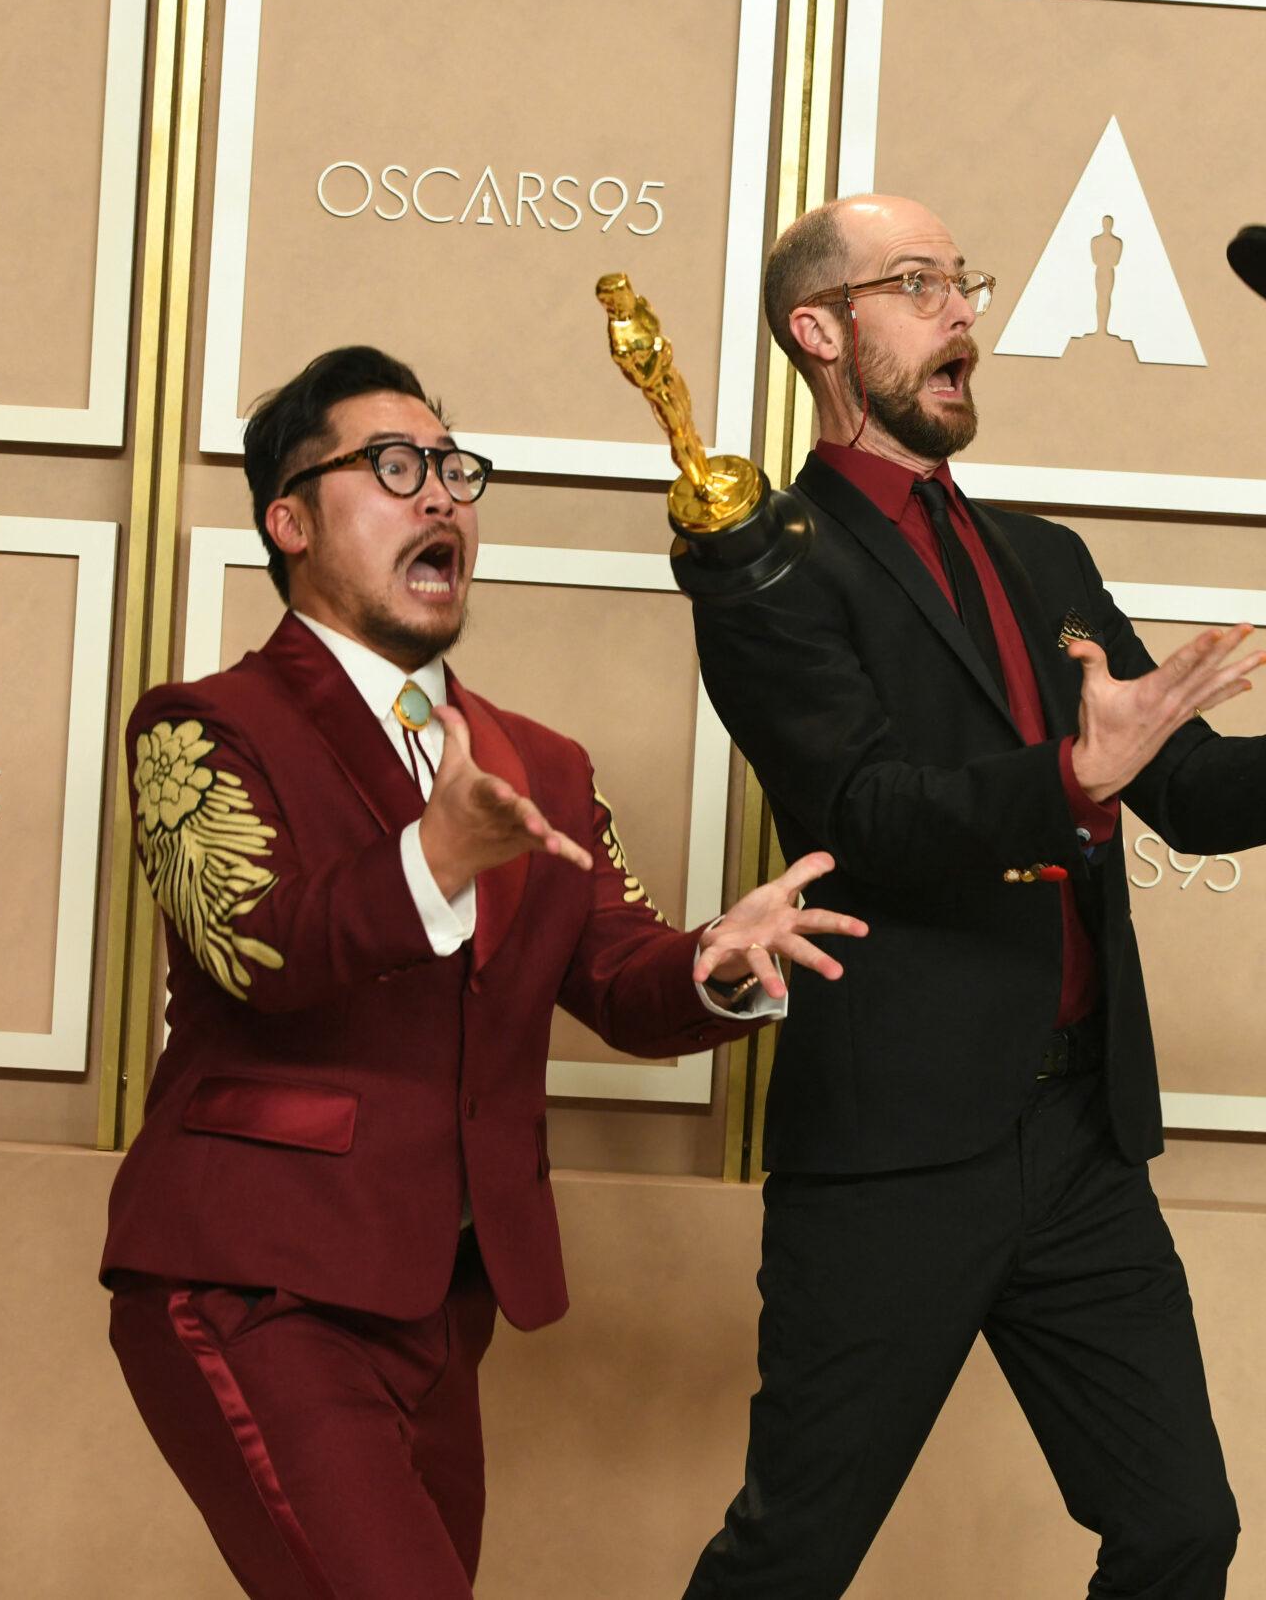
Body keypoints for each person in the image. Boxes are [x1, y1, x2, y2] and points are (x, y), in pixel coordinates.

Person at [682, 196, 1266, 1597]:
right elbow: (863, 816)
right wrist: (1073, 769)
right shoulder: (771, 561)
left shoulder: (1042, 556)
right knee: (793, 1552)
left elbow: (1180, 785)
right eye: (918, 284)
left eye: (967, 283)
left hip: (1080, 1135)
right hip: (899, 1144)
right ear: (817, 330)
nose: (964, 312)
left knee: (1181, 1525)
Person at [100, 345, 863, 1598]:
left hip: (446, 1303)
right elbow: (255, 945)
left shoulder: (537, 763)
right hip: (247, 1277)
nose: (441, 495)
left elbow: (618, 973)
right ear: (288, 520)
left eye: (455, 470)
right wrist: (431, 855)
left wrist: (719, 966)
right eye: (392, 469)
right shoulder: (202, 723)